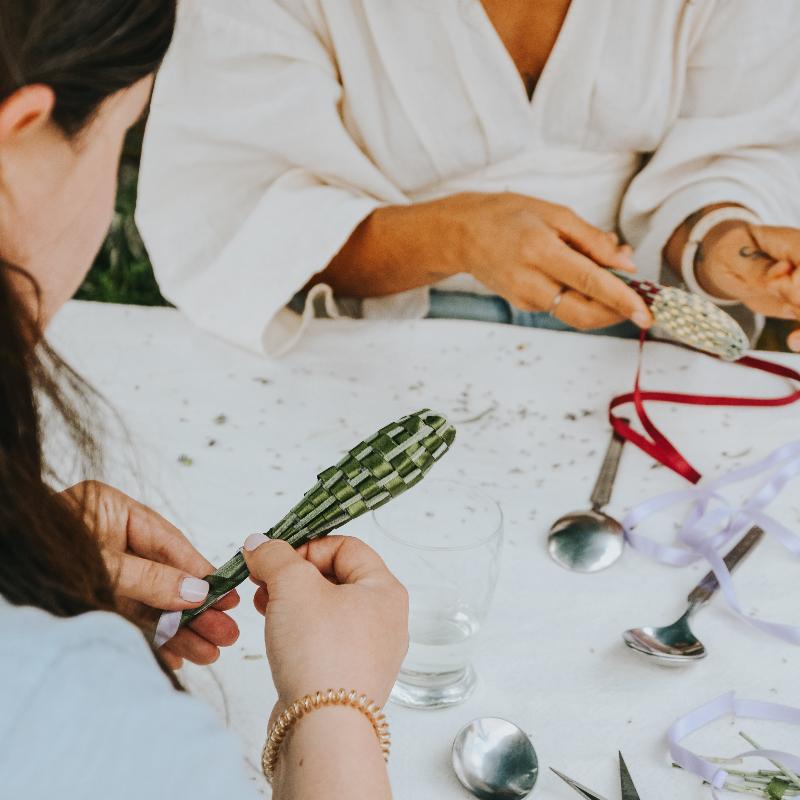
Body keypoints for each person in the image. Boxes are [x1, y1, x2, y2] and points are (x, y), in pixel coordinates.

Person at [0, 3, 408, 798]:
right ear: (16, 145)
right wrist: (338, 704)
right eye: (119, 138)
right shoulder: (61, 694)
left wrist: (25, 548)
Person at [137, 0, 800, 357]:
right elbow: (235, 215)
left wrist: (727, 249)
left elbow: (740, 142)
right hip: (375, 334)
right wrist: (457, 235)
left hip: (635, 331)